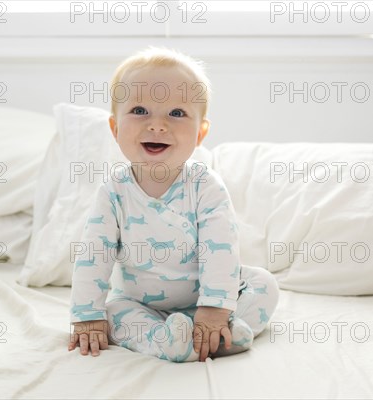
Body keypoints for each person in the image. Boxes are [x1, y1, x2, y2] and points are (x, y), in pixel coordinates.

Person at [68, 46, 279, 362]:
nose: (157, 125)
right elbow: (94, 255)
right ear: (114, 128)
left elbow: (220, 247)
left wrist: (215, 306)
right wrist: (86, 314)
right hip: (142, 303)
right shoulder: (113, 192)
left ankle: (223, 329)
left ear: (200, 132)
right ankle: (166, 340)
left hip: (206, 299)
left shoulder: (205, 186)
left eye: (176, 113)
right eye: (140, 111)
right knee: (113, 312)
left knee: (264, 283)